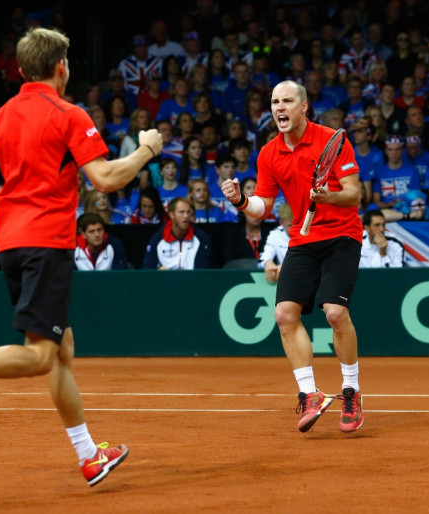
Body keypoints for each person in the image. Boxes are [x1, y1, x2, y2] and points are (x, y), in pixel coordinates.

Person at [0, 28, 164, 487]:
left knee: (61, 349)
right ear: (62, 67)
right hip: (47, 244)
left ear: (20, 69)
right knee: (39, 355)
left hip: (12, 245)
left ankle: (89, 454)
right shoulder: (68, 114)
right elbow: (106, 178)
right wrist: (147, 150)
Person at [221, 80, 364, 434]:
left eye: (287, 101)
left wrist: (328, 197)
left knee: (335, 313)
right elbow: (262, 208)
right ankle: (310, 394)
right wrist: (240, 199)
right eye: (274, 102)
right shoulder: (268, 153)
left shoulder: (333, 140)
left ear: (303, 107)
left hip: (342, 235)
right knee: (285, 314)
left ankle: (351, 391)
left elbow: (354, 195)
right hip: (302, 238)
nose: (279, 107)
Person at [141, 197, 213, 269]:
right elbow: (147, 269)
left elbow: (203, 272)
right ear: (171, 214)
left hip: (192, 279)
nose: (186, 216)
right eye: (181, 212)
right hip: (166, 279)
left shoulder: (202, 239)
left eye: (188, 212)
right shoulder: (158, 238)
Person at [373, 135, 421, 210]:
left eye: (397, 149)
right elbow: (376, 200)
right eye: (390, 149)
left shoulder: (412, 171)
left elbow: (417, 197)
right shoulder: (379, 172)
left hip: (408, 209)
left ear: (402, 150)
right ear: (385, 151)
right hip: (387, 210)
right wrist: (388, 205)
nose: (394, 153)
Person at [260, 203, 293, 283]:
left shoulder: (307, 233)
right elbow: (263, 259)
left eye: (296, 224)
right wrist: (267, 262)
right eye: (289, 225)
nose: (293, 228)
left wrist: (286, 267)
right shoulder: (275, 234)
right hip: (282, 280)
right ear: (281, 223)